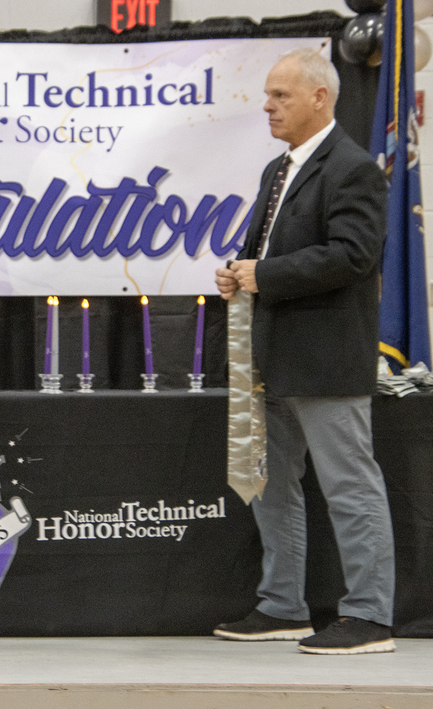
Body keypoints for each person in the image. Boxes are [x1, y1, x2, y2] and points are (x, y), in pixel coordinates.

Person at [213, 49, 395, 655]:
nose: (267, 105)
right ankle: (282, 606)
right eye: (268, 94)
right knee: (270, 485)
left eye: (280, 95)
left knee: (350, 487)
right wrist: (240, 273)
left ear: (320, 97)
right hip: (271, 357)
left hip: (326, 358)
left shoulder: (354, 168)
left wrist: (265, 274)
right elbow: (267, 251)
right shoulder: (278, 169)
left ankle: (369, 616)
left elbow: (353, 255)